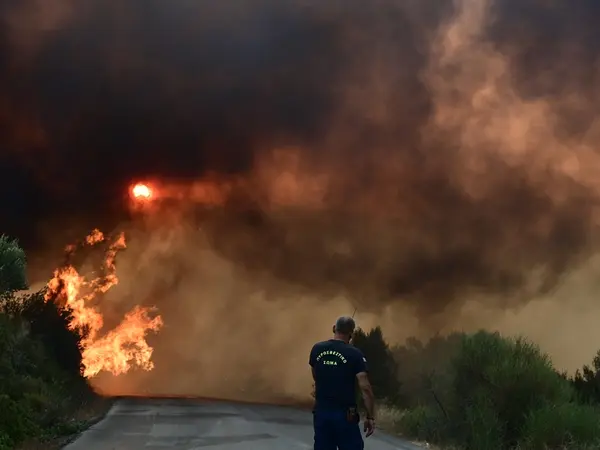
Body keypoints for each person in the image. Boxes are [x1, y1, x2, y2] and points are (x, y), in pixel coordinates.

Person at [309, 316, 376, 450]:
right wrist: (370, 416)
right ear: (351, 334)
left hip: (321, 412)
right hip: (345, 415)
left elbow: (315, 375)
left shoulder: (317, 349)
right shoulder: (355, 354)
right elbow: (365, 388)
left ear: (334, 328)